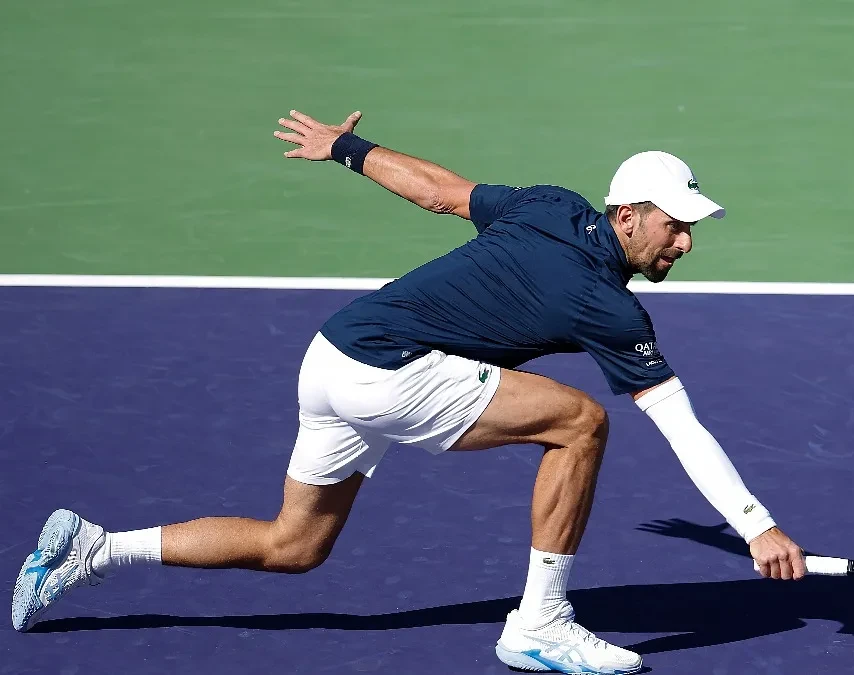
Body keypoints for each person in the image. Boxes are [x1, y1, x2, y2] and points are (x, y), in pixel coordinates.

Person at [12, 109, 806, 674]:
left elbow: (439, 192)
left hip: (331, 354)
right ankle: (540, 624)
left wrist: (347, 148)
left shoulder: (552, 206)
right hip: (388, 369)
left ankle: (92, 546)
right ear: (628, 216)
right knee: (581, 422)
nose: (687, 240)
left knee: (295, 545)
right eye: (675, 225)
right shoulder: (609, 306)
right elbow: (682, 425)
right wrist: (756, 526)